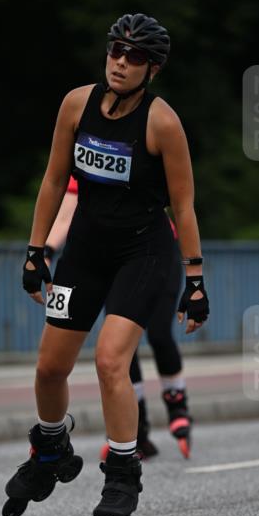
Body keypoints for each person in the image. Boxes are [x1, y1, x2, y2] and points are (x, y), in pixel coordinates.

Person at [2, 13, 209, 516]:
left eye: (134, 56)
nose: (120, 62)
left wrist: (195, 279)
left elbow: (184, 205)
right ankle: (51, 448)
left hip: (143, 252)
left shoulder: (162, 123)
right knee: (50, 368)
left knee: (111, 361)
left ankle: (122, 475)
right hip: (85, 251)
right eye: (116, 50)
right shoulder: (77, 104)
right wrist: (35, 251)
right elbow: (54, 180)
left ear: (152, 69)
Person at [45, 178, 193, 460]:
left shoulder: (144, 152)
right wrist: (45, 251)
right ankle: (137, 428)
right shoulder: (85, 158)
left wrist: (195, 277)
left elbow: (183, 204)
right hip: (105, 258)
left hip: (152, 252)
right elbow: (66, 210)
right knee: (119, 345)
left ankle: (177, 403)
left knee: (160, 332)